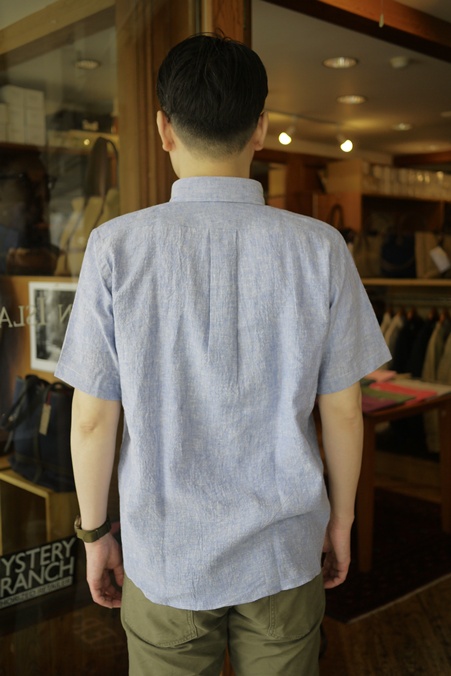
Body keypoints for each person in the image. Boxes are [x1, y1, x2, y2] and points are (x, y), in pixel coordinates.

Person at [55, 34, 391, 676]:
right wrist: (342, 521)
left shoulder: (115, 248)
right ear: (260, 127)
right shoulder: (321, 248)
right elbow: (345, 413)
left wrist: (95, 535)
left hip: (167, 557)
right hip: (283, 552)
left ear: (163, 128)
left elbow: (93, 420)